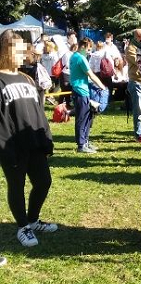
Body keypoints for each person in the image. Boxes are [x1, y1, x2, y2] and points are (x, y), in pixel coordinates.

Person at [0, 30, 57, 248]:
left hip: (34, 141)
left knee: (44, 182)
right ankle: (22, 226)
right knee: (17, 185)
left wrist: (46, 138)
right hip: (12, 145)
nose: (23, 54)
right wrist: (5, 148)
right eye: (18, 50)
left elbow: (38, 111)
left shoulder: (26, 78)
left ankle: (32, 220)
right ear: (6, 50)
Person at [69, 38, 107, 153]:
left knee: (87, 117)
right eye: (89, 48)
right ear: (83, 47)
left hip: (80, 90)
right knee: (82, 118)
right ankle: (81, 145)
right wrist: (102, 87)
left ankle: (85, 141)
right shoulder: (81, 59)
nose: (90, 51)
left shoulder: (74, 56)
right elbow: (91, 75)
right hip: (81, 91)